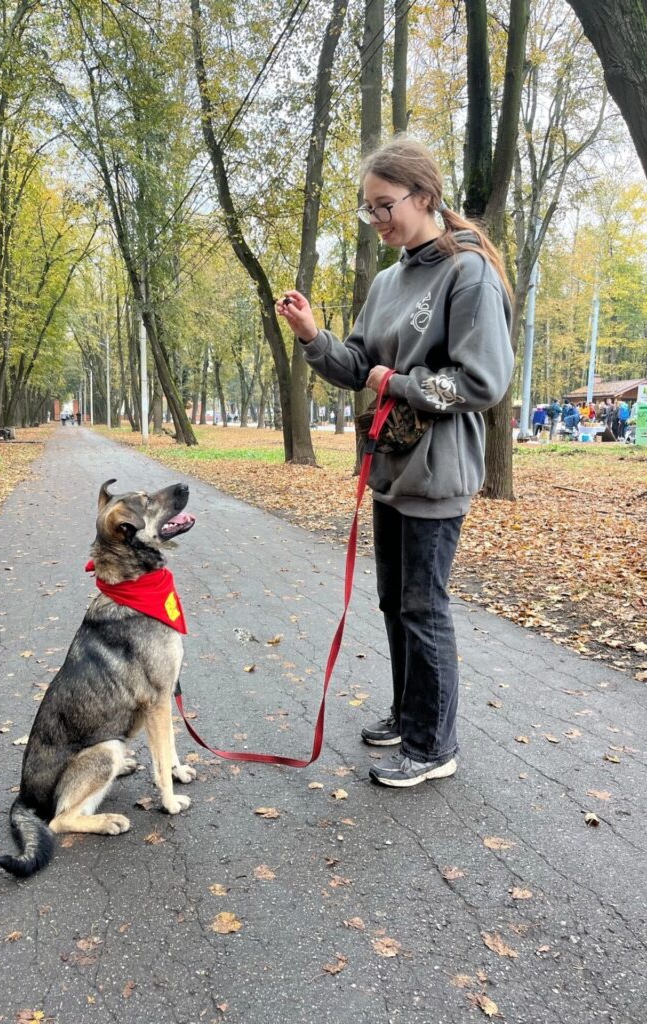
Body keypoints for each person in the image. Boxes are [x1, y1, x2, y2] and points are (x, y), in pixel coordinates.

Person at [276, 137, 513, 788]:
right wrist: (312, 337)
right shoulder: (387, 281)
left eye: (385, 206)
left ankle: (434, 744)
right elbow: (357, 365)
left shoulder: (468, 274)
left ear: (425, 198)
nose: (377, 220)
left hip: (437, 474)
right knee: (392, 601)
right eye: (368, 210)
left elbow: (480, 384)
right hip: (388, 468)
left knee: (422, 606)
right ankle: (411, 716)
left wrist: (398, 385)